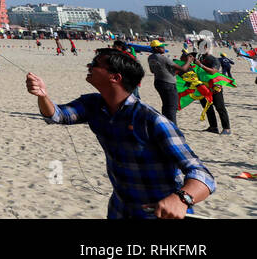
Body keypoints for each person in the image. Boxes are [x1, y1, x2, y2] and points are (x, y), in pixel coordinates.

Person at [25, 49, 215, 219]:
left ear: (115, 77)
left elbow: (201, 173)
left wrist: (181, 199)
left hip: (160, 211)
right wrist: (43, 96)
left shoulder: (152, 120)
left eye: (95, 64)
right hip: (121, 208)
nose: (89, 66)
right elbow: (57, 116)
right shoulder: (93, 105)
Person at [147, 40, 187, 125]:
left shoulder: (150, 57)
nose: (164, 48)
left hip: (158, 82)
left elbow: (152, 71)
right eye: (161, 47)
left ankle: (166, 124)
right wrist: (189, 61)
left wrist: (168, 72)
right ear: (156, 48)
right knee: (172, 107)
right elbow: (183, 69)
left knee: (166, 106)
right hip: (168, 84)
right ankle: (173, 127)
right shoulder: (163, 58)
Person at [197, 42, 231, 135]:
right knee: (207, 107)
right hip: (203, 87)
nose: (200, 48)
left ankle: (227, 128)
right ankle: (213, 127)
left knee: (220, 107)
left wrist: (200, 65)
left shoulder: (213, 59)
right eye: (198, 46)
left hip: (215, 86)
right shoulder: (199, 58)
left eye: (202, 46)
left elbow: (213, 71)